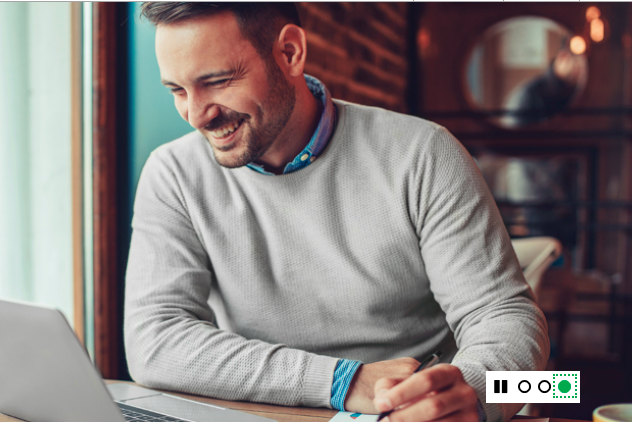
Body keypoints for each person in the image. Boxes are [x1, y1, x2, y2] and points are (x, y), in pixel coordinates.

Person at [123, 4, 549, 422]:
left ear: (289, 52)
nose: (197, 115)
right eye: (177, 90)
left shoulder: (425, 153)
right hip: (264, 414)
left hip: (410, 413)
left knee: (565, 385)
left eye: (217, 81)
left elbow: (515, 330)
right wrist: (343, 381)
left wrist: (477, 394)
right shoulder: (173, 175)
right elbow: (152, 342)